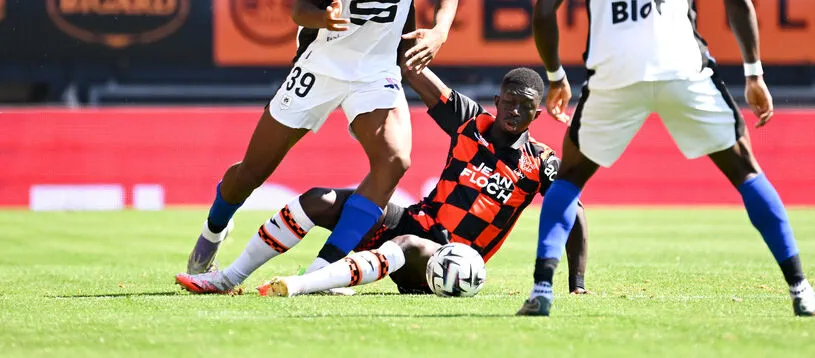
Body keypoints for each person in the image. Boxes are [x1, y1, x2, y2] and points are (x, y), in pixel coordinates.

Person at [516, 0, 815, 318]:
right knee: (746, 170)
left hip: (614, 72)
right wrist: (754, 75)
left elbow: (544, 10)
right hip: (682, 67)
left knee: (569, 177)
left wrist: (555, 76)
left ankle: (542, 292)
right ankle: (801, 291)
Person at [183, 0, 459, 280]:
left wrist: (439, 33)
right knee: (253, 173)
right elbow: (300, 12)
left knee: (395, 160)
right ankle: (213, 230)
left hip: (375, 72)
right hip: (320, 67)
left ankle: (323, 270)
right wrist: (324, 18)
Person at [175, 67, 589, 297]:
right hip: (414, 220)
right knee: (318, 199)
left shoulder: (541, 163)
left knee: (406, 246)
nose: (513, 112)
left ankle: (305, 284)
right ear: (497, 101)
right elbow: (414, 70)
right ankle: (230, 278)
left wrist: (576, 285)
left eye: (525, 108)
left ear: (537, 116)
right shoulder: (469, 121)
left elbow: (572, 214)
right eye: (508, 103)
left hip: (449, 259)